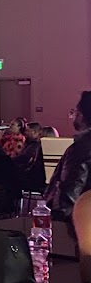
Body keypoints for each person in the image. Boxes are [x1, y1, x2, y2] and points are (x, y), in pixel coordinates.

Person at [46, 91, 91, 225]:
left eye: (74, 112)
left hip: (82, 223)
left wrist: (58, 222)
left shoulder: (82, 148)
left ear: (81, 115)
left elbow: (70, 191)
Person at [14, 121, 46, 193]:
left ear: (34, 132)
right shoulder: (30, 144)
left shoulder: (35, 146)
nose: (25, 132)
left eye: (27, 130)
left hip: (35, 180)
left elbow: (24, 159)